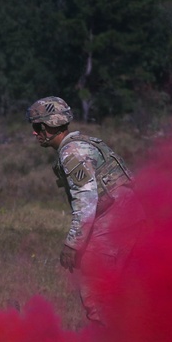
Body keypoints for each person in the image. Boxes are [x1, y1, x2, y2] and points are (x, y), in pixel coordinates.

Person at [27, 96, 145, 324]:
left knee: (97, 293)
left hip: (112, 222)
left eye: (36, 127)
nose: (34, 133)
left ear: (47, 127)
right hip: (130, 218)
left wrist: (72, 244)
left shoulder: (72, 153)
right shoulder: (86, 144)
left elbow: (86, 201)